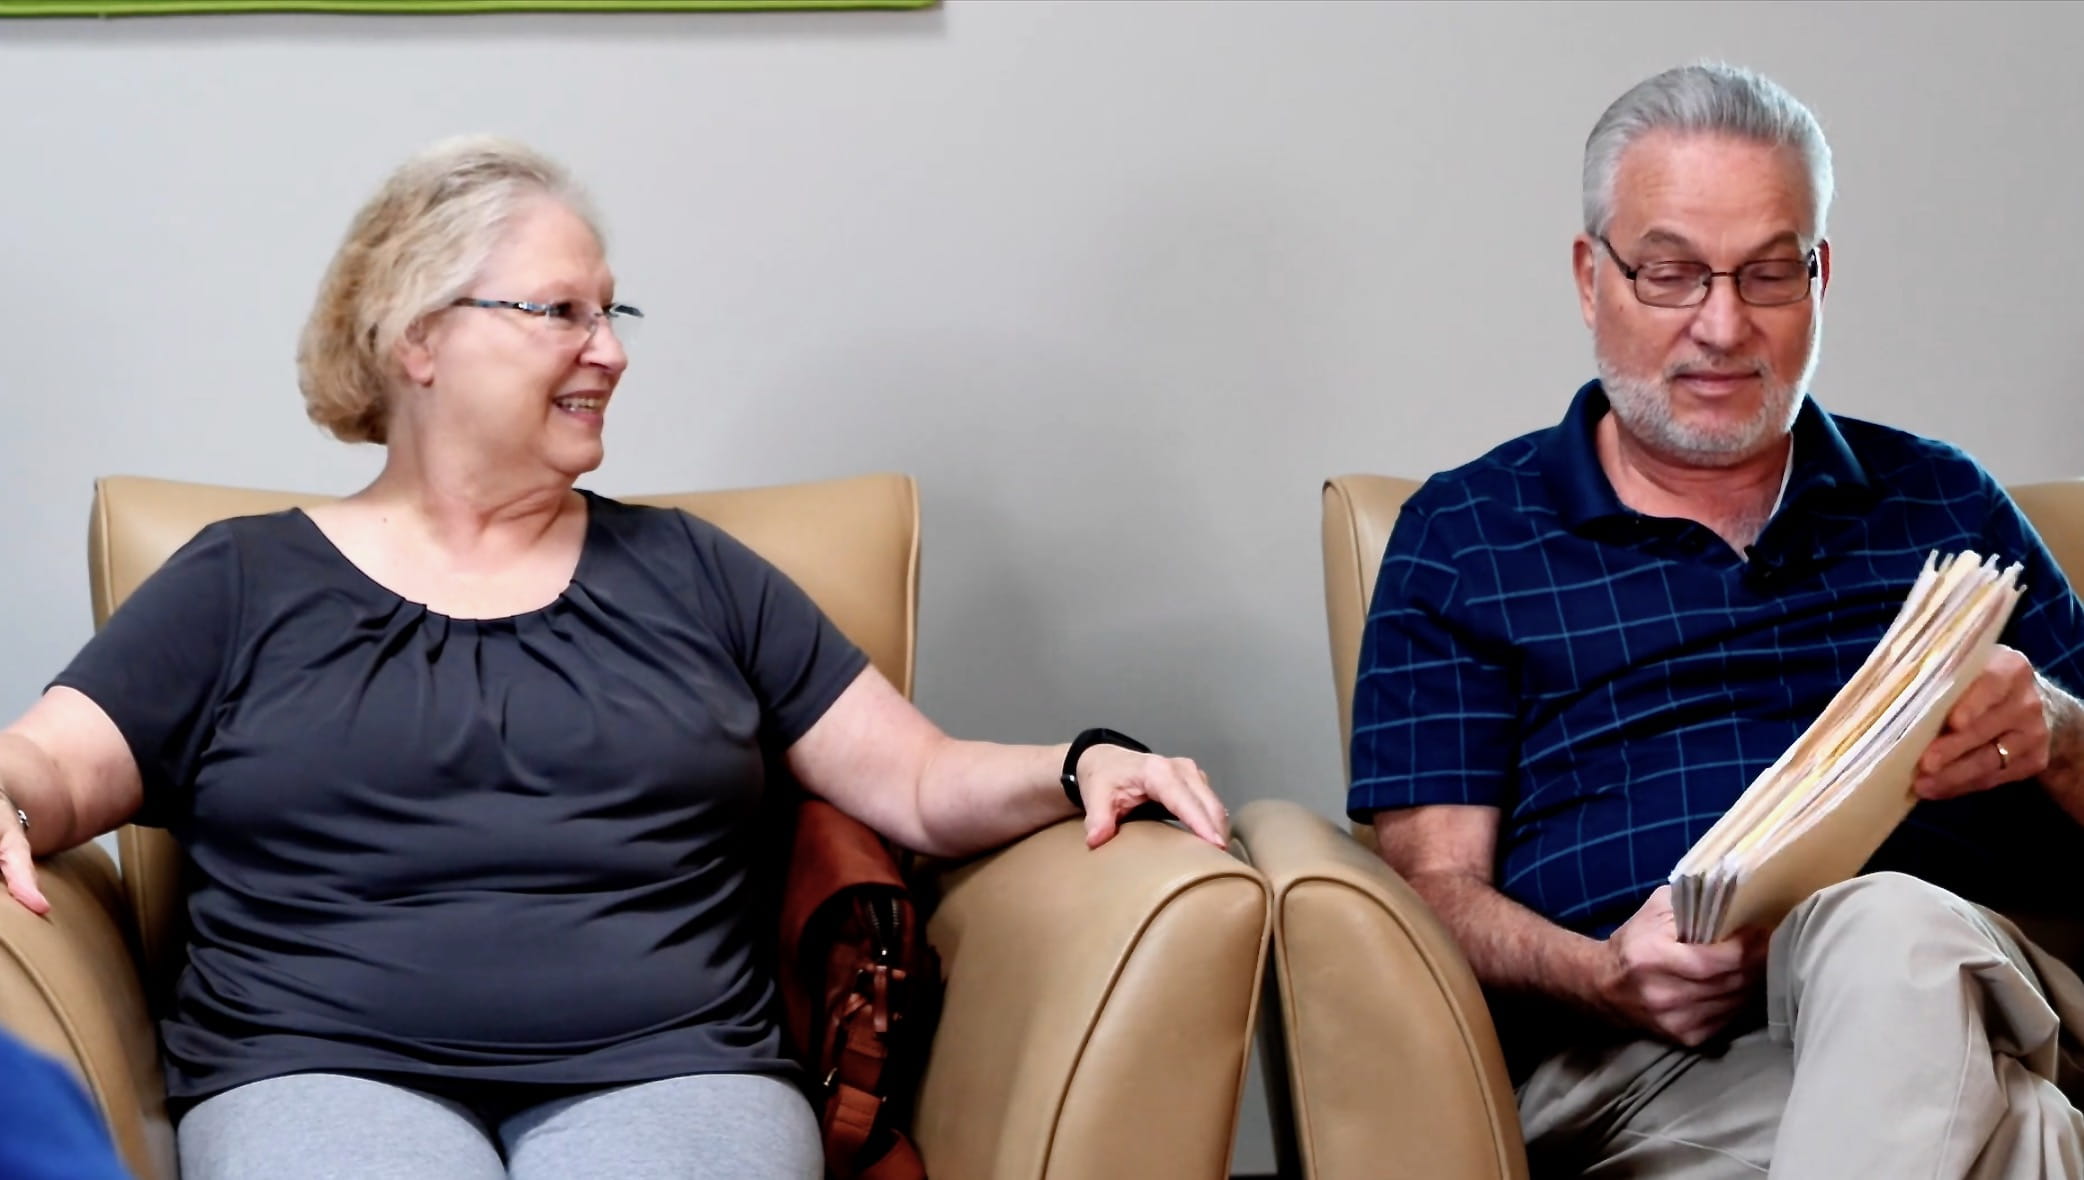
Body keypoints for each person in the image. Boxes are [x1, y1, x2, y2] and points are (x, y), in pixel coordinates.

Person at [0, 136, 1230, 1180]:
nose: (610, 351)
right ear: (415, 337)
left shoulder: (694, 571)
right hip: (316, 1066)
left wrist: (1081, 761)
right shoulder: (239, 581)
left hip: (674, 1068)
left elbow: (913, 779)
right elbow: (55, 766)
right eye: (560, 314)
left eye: (611, 312)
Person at [1348, 61, 2084, 1179]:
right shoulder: (1466, 535)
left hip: (1979, 982)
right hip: (1638, 1059)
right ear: (1590, 275)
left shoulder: (1940, 501)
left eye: (1766, 274)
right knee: (2024, 1132)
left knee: (1893, 933)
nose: (1722, 324)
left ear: (1819, 276)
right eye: (1671, 274)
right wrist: (1598, 972)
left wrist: (2058, 731)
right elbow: (1428, 892)